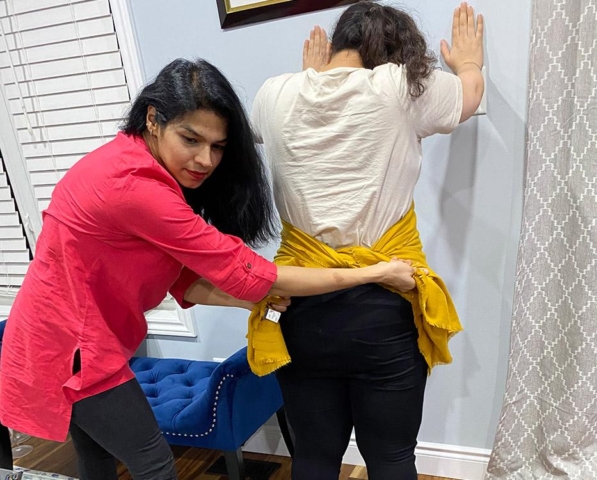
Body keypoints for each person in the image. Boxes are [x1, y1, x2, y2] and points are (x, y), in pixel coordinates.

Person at [0, 58, 416, 480]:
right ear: (153, 119)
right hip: (69, 346)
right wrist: (375, 273)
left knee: (97, 456)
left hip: (61, 335)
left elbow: (184, 280)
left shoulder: (134, 164)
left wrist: (252, 301)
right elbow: (246, 272)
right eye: (191, 139)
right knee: (154, 463)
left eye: (218, 146)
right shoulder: (134, 188)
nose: (205, 159)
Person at [250, 2, 484, 479]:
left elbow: (282, 132)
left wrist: (307, 80)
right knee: (391, 456)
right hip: (384, 303)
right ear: (395, 52)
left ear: (338, 43)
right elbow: (468, 97)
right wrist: (468, 63)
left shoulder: (273, 93)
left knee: (313, 455)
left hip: (299, 305)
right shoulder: (401, 85)